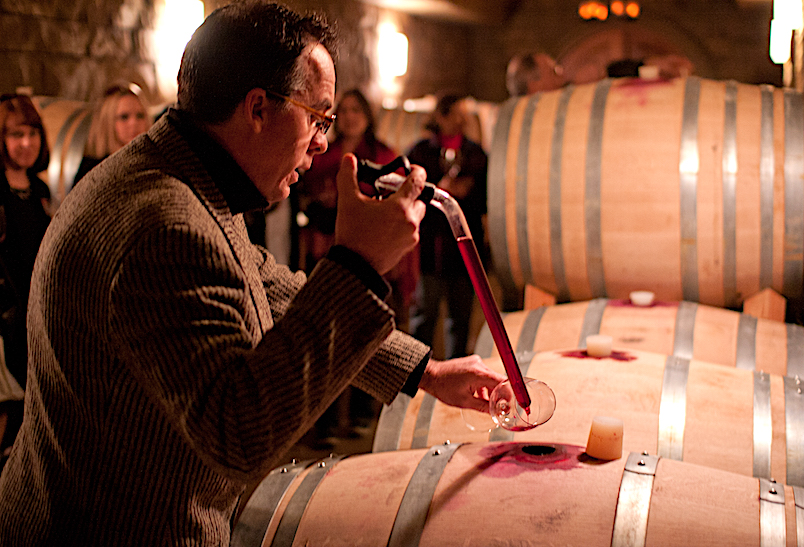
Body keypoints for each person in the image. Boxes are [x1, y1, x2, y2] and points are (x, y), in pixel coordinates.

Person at [0, 2, 505, 545]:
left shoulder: (185, 179)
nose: (323, 143)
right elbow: (239, 434)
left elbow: (268, 285)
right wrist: (358, 264)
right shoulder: (164, 226)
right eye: (318, 118)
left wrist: (424, 372)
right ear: (258, 107)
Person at [299, 88, 419, 442]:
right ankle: (325, 419)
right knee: (326, 334)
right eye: (344, 110)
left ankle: (364, 413)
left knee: (365, 333)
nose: (350, 116)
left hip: (370, 258)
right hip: (324, 252)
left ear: (367, 115)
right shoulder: (322, 154)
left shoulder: (383, 155)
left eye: (356, 110)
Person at [407, 94, 488, 360]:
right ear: (441, 117)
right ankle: (418, 379)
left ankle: (458, 375)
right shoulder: (420, 152)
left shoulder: (476, 154)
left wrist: (468, 192)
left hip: (463, 249)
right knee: (424, 318)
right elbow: (409, 192)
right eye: (455, 114)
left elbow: (488, 200)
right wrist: (438, 190)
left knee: (460, 319)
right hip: (431, 248)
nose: (462, 120)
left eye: (464, 114)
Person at [0, 94, 51, 469]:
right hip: (4, 322)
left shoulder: (39, 192)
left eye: (32, 133)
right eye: (16, 134)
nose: (26, 143)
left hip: (33, 316)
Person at [73, 82, 151, 184]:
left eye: (140, 116)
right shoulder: (93, 170)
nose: (133, 123)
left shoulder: (151, 162)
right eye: (124, 117)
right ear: (107, 122)